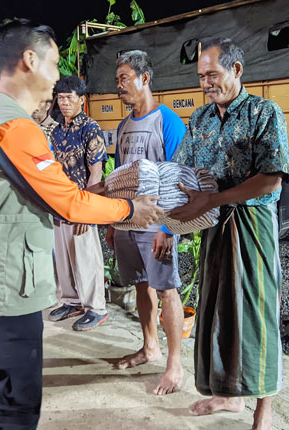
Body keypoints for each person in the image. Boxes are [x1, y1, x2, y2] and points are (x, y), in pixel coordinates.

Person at [0, 20, 163, 429]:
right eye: (54, 64)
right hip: (0, 287)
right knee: (14, 411)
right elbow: (66, 200)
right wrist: (130, 211)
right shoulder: (15, 126)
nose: (57, 77)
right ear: (29, 60)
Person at [170, 38, 289, 430]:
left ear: (236, 71)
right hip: (212, 226)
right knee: (218, 310)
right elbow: (180, 173)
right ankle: (227, 396)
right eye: (202, 76)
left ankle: (263, 409)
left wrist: (214, 198)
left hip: (251, 226)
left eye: (213, 74)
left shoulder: (263, 112)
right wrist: (165, 224)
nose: (206, 83)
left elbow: (270, 180)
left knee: (255, 312)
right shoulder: (201, 119)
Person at [108, 50, 187, 395]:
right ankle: (149, 346)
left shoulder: (167, 122)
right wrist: (114, 221)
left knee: (167, 289)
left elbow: (180, 178)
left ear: (145, 78)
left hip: (157, 223)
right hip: (128, 221)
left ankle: (174, 364)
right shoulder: (124, 126)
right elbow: (118, 178)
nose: (119, 85)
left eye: (125, 78)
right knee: (140, 284)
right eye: (117, 80)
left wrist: (169, 229)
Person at [47, 76, 108, 330]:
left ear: (82, 100)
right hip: (61, 204)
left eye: (69, 97)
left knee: (86, 256)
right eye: (60, 98)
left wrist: (87, 210)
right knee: (63, 257)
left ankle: (97, 307)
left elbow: (96, 173)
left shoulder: (90, 128)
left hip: (82, 204)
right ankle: (72, 301)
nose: (64, 102)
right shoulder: (57, 130)